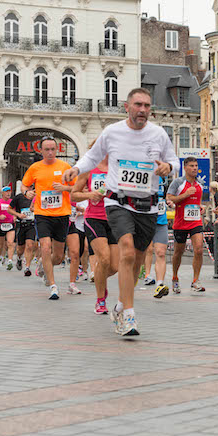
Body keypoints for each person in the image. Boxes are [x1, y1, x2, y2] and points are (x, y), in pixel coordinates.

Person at [64, 87, 178, 336]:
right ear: (127, 107)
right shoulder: (113, 132)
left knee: (136, 261)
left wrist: (168, 167)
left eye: (147, 106)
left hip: (147, 204)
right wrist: (75, 169)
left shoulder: (158, 134)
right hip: (117, 202)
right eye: (138, 105)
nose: (143, 110)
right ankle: (129, 315)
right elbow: (92, 157)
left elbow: (175, 161)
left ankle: (120, 304)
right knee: (126, 251)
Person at [22, 137, 76, 300]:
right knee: (45, 247)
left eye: (53, 149)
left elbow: (77, 187)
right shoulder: (35, 168)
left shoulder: (65, 167)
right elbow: (25, 185)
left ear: (57, 149)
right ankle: (53, 286)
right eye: (47, 149)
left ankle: (44, 266)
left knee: (58, 257)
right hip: (42, 214)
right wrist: (27, 192)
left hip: (62, 214)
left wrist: (64, 187)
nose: (50, 152)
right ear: (41, 151)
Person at [72, 156, 121, 313]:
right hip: (94, 218)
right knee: (104, 258)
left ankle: (100, 281)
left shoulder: (120, 168)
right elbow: (74, 194)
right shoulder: (89, 169)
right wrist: (89, 195)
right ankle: (100, 300)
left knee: (114, 267)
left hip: (114, 219)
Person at [167, 157, 206, 293]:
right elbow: (169, 197)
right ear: (185, 167)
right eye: (191, 166)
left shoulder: (200, 183)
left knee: (199, 249)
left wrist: (201, 207)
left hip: (196, 221)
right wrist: (185, 195)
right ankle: (175, 278)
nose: (195, 168)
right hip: (180, 222)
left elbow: (198, 200)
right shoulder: (178, 182)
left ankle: (195, 280)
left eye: (196, 165)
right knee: (178, 252)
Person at [144, 176, 169, 298]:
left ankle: (159, 284)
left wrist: (168, 201)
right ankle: (146, 275)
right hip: (145, 220)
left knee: (160, 252)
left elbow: (165, 196)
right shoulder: (143, 172)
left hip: (161, 219)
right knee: (146, 250)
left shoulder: (163, 179)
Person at [8, 189, 37, 275]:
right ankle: (19, 258)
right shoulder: (19, 197)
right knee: (20, 248)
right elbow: (9, 210)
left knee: (30, 245)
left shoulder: (38, 197)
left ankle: (27, 267)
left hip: (32, 224)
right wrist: (18, 215)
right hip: (21, 224)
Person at [0, 187, 16, 271]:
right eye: (6, 192)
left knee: (10, 243)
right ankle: (0, 257)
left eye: (9, 192)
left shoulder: (12, 202)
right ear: (2, 193)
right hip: (0, 224)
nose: (8, 193)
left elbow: (15, 211)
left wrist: (15, 217)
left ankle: (10, 261)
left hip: (10, 225)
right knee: (1, 244)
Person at [65, 201, 85, 294]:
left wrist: (80, 210)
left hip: (72, 225)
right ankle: (43, 264)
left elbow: (76, 206)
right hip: (57, 223)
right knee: (58, 257)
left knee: (75, 254)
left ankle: (72, 284)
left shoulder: (73, 194)